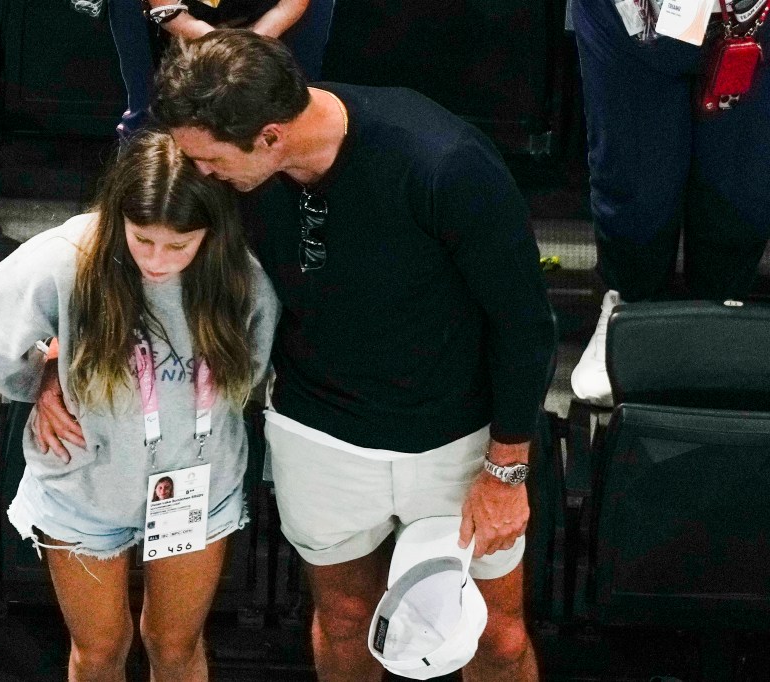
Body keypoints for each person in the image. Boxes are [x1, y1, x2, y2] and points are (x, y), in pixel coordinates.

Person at [36, 31, 555, 681]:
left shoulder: (442, 162)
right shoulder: (227, 161)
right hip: (317, 430)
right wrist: (58, 355)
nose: (199, 176)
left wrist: (506, 468)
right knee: (343, 620)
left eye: (209, 161)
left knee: (497, 638)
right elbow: (134, 253)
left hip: (455, 437)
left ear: (271, 137)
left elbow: (526, 323)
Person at [0, 129, 279, 681]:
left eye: (179, 245)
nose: (157, 260)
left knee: (175, 646)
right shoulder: (73, 252)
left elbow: (253, 365)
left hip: (195, 483)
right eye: (142, 239)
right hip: (88, 481)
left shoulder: (238, 274)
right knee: (99, 650)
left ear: (209, 233)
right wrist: (38, 380)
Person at [569, 0, 770, 406]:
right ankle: (629, 304)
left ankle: (722, 309)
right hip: (631, 16)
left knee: (745, 176)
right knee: (632, 172)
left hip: (757, 16)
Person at [106, 0, 335, 138]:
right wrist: (222, 45)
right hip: (174, 14)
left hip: (271, 14)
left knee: (290, 108)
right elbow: (166, 8)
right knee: (148, 113)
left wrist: (250, 42)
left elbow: (291, 4)